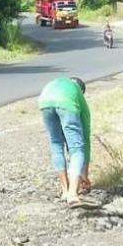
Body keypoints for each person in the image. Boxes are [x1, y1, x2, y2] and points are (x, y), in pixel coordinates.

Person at [38, 77, 92, 208]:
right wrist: (84, 174)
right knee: (77, 148)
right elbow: (85, 138)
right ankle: (73, 194)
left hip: (44, 102)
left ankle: (65, 191)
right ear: (81, 90)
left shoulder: (56, 82)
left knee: (56, 144)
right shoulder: (77, 92)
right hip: (66, 104)